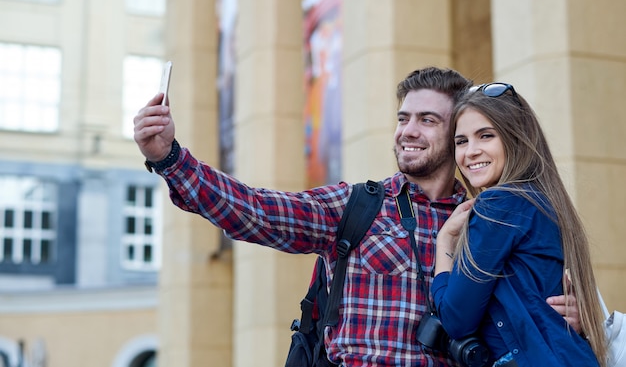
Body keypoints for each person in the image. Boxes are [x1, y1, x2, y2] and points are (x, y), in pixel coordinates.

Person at [134, 67, 580, 366]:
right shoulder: (360, 206)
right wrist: (171, 158)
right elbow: (256, 211)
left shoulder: (487, 218)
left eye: (428, 120)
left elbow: (527, 306)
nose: (408, 131)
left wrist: (570, 316)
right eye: (404, 118)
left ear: (456, 133)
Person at [433, 83, 607, 367]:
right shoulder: (543, 201)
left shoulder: (498, 205)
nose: (471, 151)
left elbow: (456, 319)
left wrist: (444, 242)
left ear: (515, 138)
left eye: (486, 136)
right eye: (461, 141)